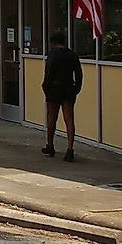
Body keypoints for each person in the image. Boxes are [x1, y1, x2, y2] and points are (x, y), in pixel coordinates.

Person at [42, 29, 83, 162]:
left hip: (54, 89)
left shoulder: (53, 55)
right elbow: (79, 73)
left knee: (52, 118)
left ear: (53, 43)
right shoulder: (72, 55)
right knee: (69, 119)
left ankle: (50, 145)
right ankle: (70, 149)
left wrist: (46, 88)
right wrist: (76, 88)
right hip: (68, 89)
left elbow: (48, 72)